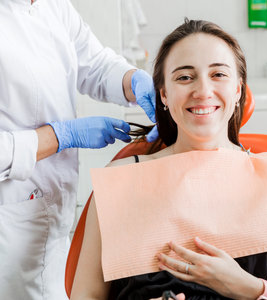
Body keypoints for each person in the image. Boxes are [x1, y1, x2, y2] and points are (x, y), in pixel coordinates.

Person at [71, 19, 267, 300]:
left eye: (218, 74)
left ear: (238, 91)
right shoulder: (121, 180)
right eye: (185, 77)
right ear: (163, 94)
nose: (203, 91)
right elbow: (85, 295)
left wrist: (253, 289)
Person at [0, 0, 158, 299]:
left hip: (51, 214)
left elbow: (95, 64)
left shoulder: (53, 6)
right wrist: (59, 137)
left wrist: (131, 80)